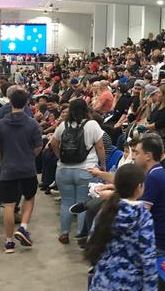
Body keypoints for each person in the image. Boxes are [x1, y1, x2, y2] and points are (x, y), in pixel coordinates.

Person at [84, 163, 157, 291]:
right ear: (140, 187)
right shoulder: (143, 216)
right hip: (130, 283)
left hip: (102, 280)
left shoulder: (106, 210)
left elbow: (92, 241)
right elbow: (148, 258)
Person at [0, 89, 43, 254]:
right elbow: (38, 146)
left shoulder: (0, 124)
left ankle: (8, 242)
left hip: (8, 168)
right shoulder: (33, 124)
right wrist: (29, 157)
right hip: (27, 168)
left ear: (10, 103)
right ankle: (23, 226)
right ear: (27, 103)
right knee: (29, 197)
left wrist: (2, 164)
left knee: (9, 204)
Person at [50, 99, 106, 244]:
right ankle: (81, 235)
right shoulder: (92, 125)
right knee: (83, 203)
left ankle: (64, 232)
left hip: (64, 170)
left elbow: (54, 143)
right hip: (86, 170)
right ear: (86, 110)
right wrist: (103, 165)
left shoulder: (63, 125)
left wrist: (60, 157)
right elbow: (100, 147)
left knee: (66, 202)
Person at [132, 133, 165, 255]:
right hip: (157, 237)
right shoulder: (155, 172)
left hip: (158, 243)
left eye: (137, 153)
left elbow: (141, 215)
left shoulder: (154, 177)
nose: (133, 157)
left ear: (148, 156)